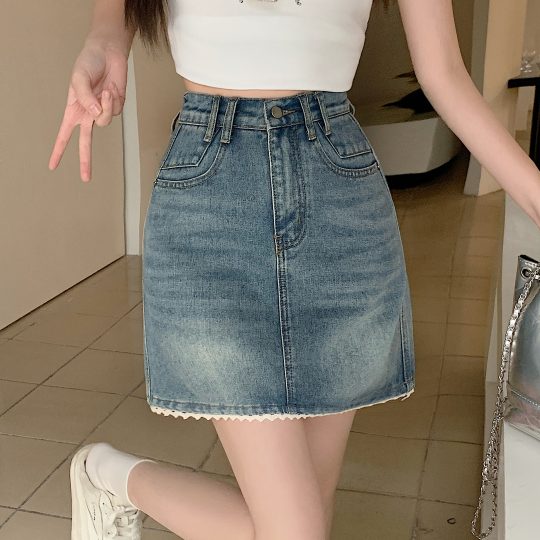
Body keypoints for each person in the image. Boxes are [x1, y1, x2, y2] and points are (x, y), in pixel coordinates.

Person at [48, 1, 540, 539]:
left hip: (340, 199)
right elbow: (113, 16)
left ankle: (106, 476)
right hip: (211, 199)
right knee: (296, 529)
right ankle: (107, 476)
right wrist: (103, 42)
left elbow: (444, 72)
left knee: (305, 518)